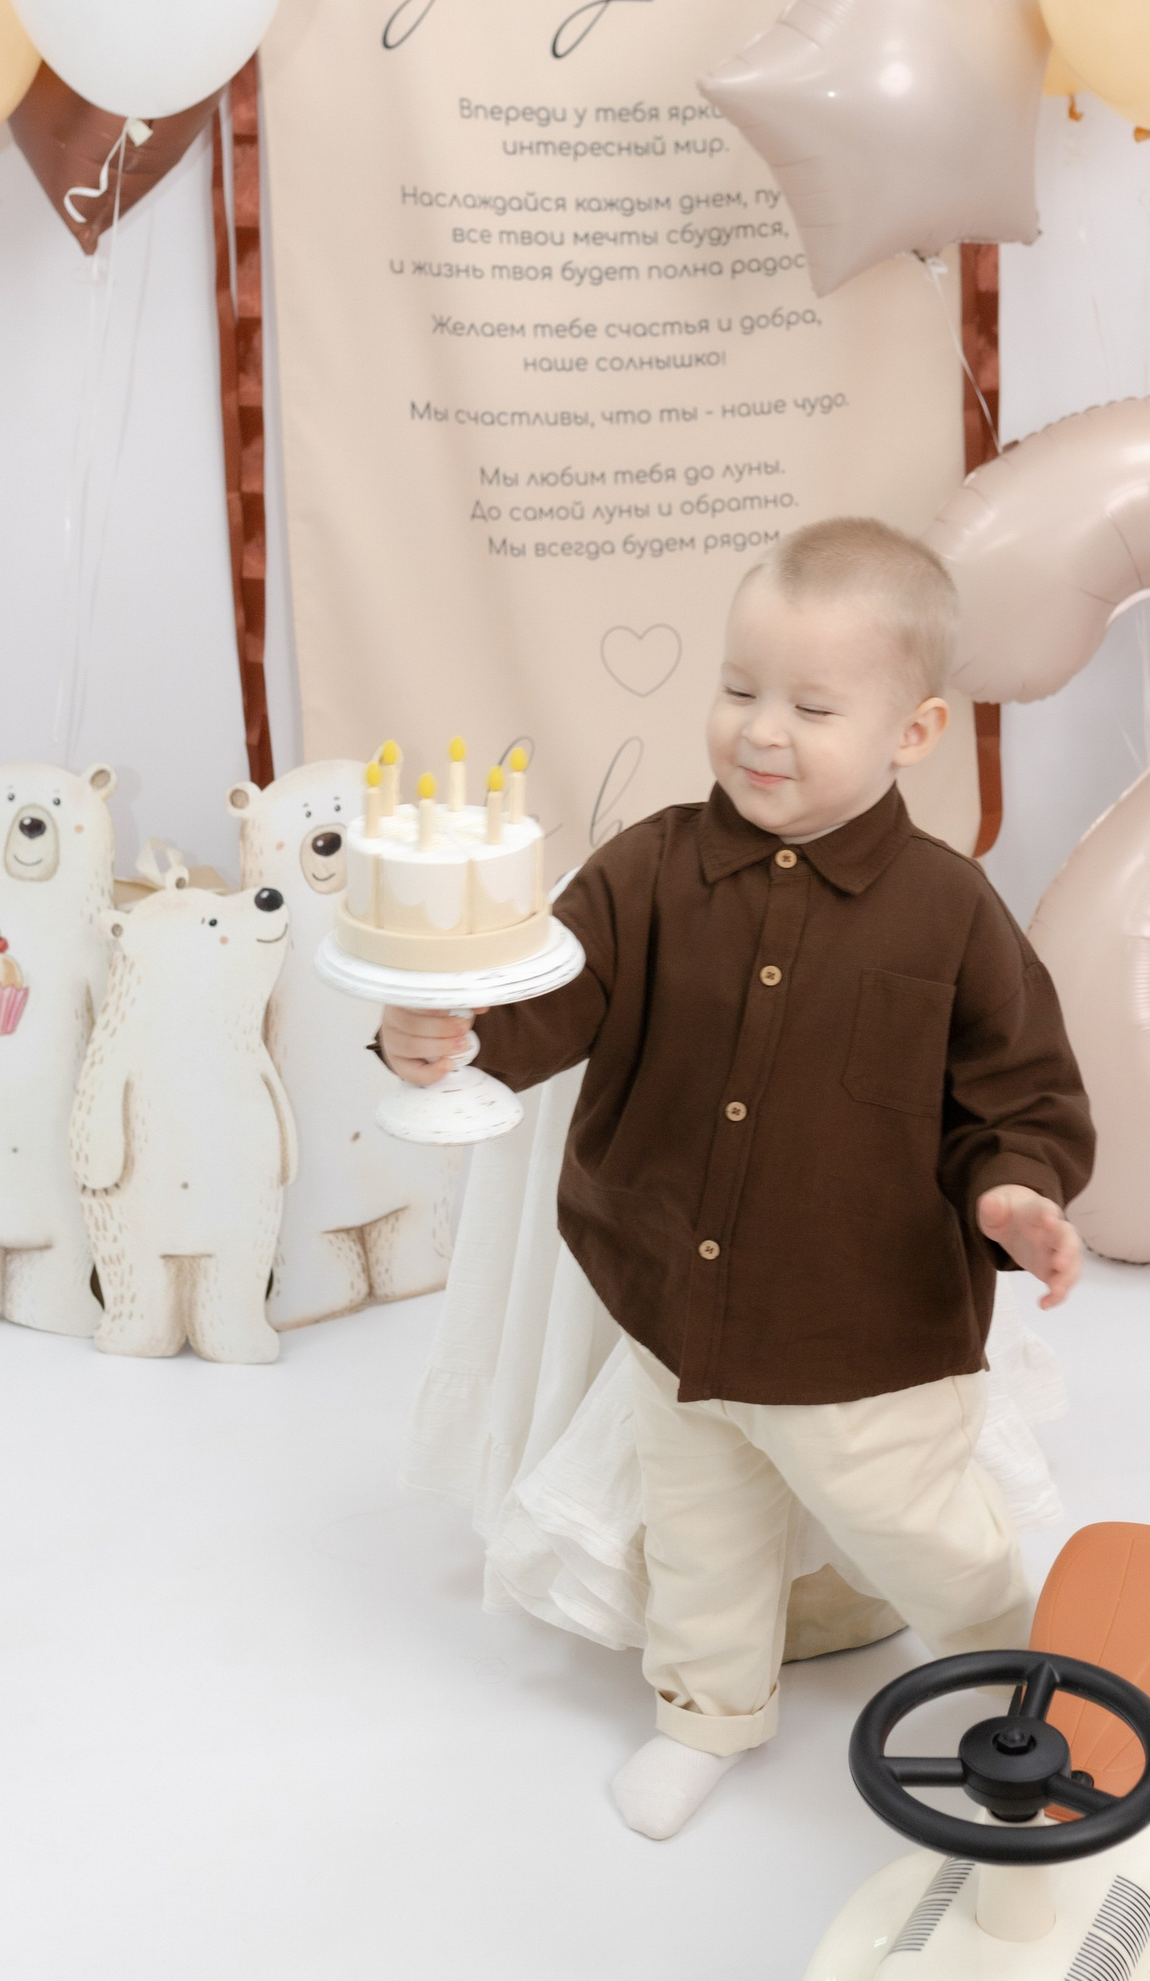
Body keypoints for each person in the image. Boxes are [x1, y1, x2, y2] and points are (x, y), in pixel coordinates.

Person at [379, 517, 1093, 1838]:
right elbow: (545, 1002)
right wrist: (451, 1036)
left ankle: (1022, 1683)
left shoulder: (949, 910)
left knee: (922, 1531)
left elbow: (1022, 1090)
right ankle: (704, 1714)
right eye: (738, 688)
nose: (763, 731)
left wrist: (1014, 1193)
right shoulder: (648, 868)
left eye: (812, 707)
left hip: (864, 1333)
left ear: (914, 732)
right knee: (700, 1537)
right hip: (680, 1313)